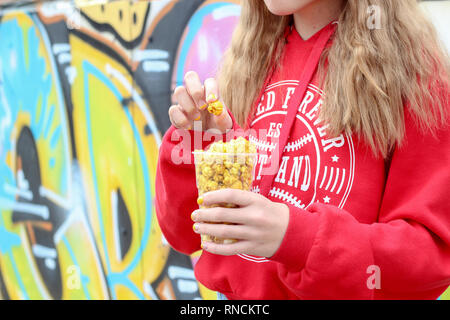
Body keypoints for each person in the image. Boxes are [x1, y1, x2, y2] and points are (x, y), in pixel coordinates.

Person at [155, 0, 450, 299]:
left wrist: (301, 239)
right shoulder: (249, 59)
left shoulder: (415, 74)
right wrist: (197, 144)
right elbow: (182, 232)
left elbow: (431, 258)